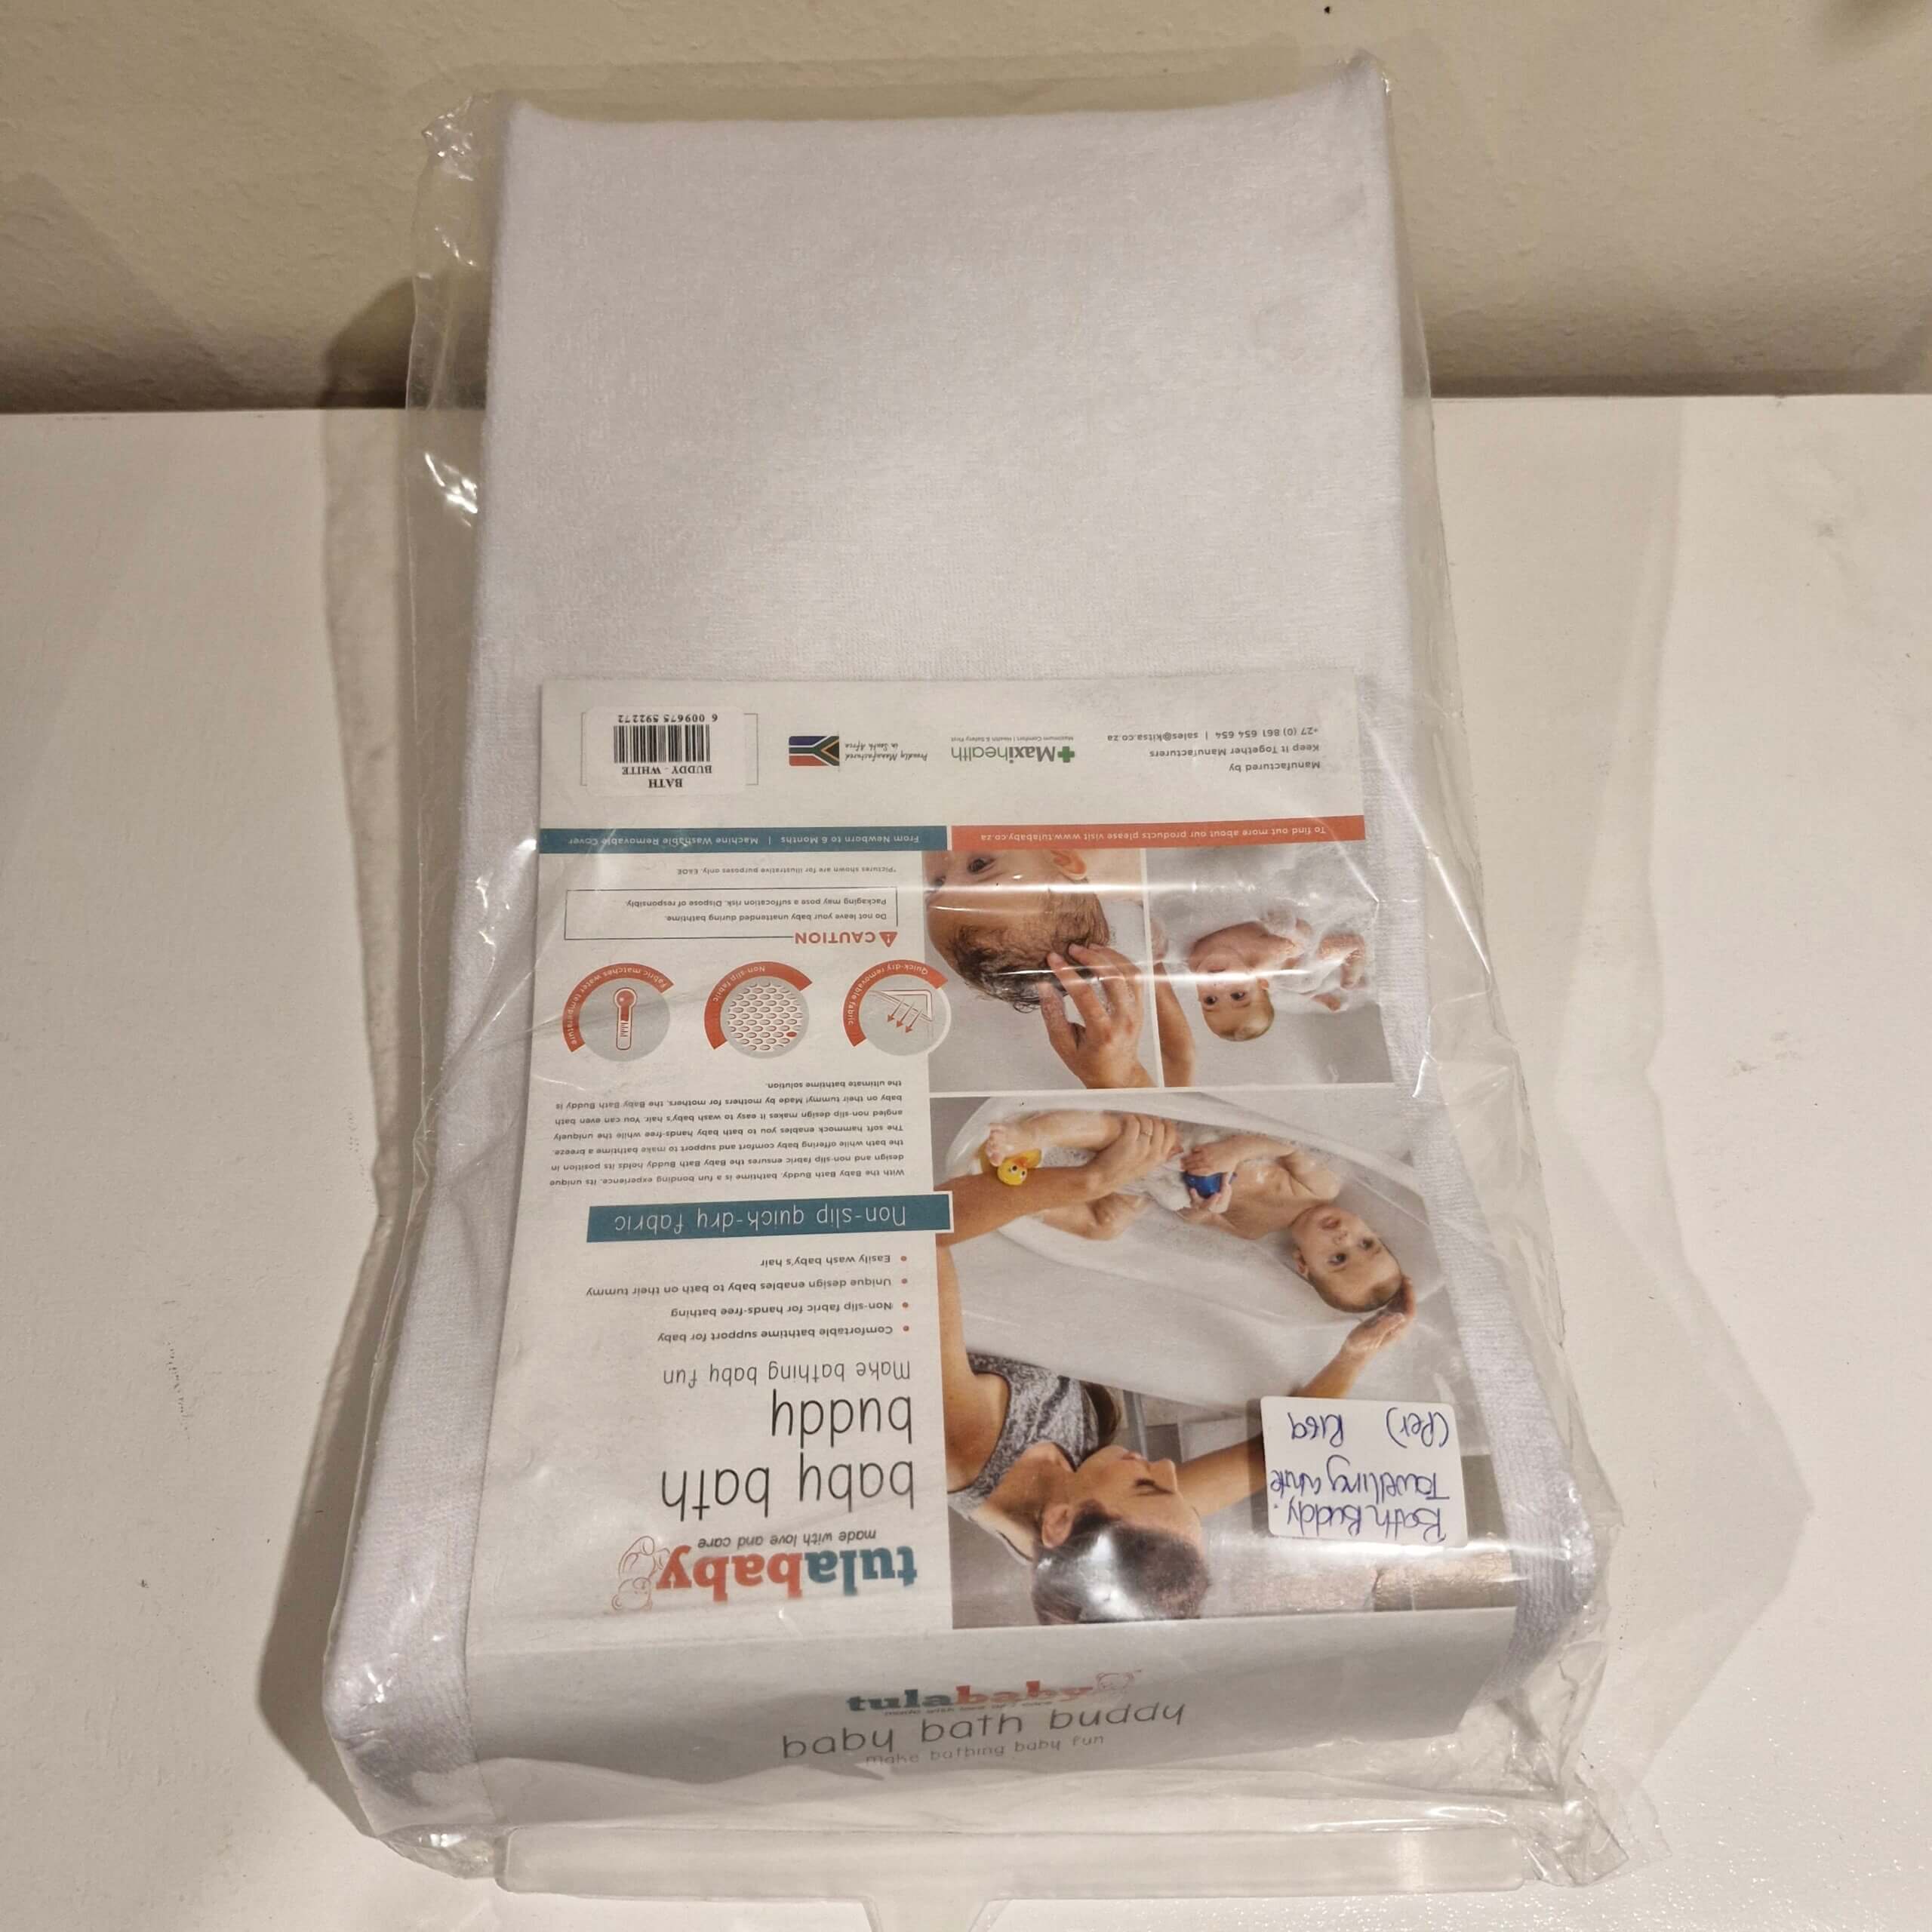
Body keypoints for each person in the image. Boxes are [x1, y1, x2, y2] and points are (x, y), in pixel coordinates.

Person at [934, 1236, 1414, 1623]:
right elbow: (1282, 1449)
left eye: (1146, 1485)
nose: (1166, 1467)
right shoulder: (1107, 1525)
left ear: (1059, 1523)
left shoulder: (966, 1448)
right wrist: (1355, 1355)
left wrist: (1083, 1184)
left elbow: (921, 1236)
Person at [964, 1112, 1411, 1315]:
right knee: (1112, 1131)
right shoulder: (1321, 1187)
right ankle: (1032, 1132)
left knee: (1106, 1227)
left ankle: (1023, 1205)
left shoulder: (1253, 1231)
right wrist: (1236, 1151)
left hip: (1152, 1183)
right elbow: (1285, 1144)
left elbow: (1201, 1221)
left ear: (1302, 1263)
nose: (1344, 1239)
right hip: (1183, 1144)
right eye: (1366, 1243)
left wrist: (1203, 1211)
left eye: (1338, 1259)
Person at [923, 847, 1197, 1089]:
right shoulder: (1119, 862)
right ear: (1063, 856)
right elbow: (1181, 1059)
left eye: (937, 884)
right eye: (979, 866)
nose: (946, 856)